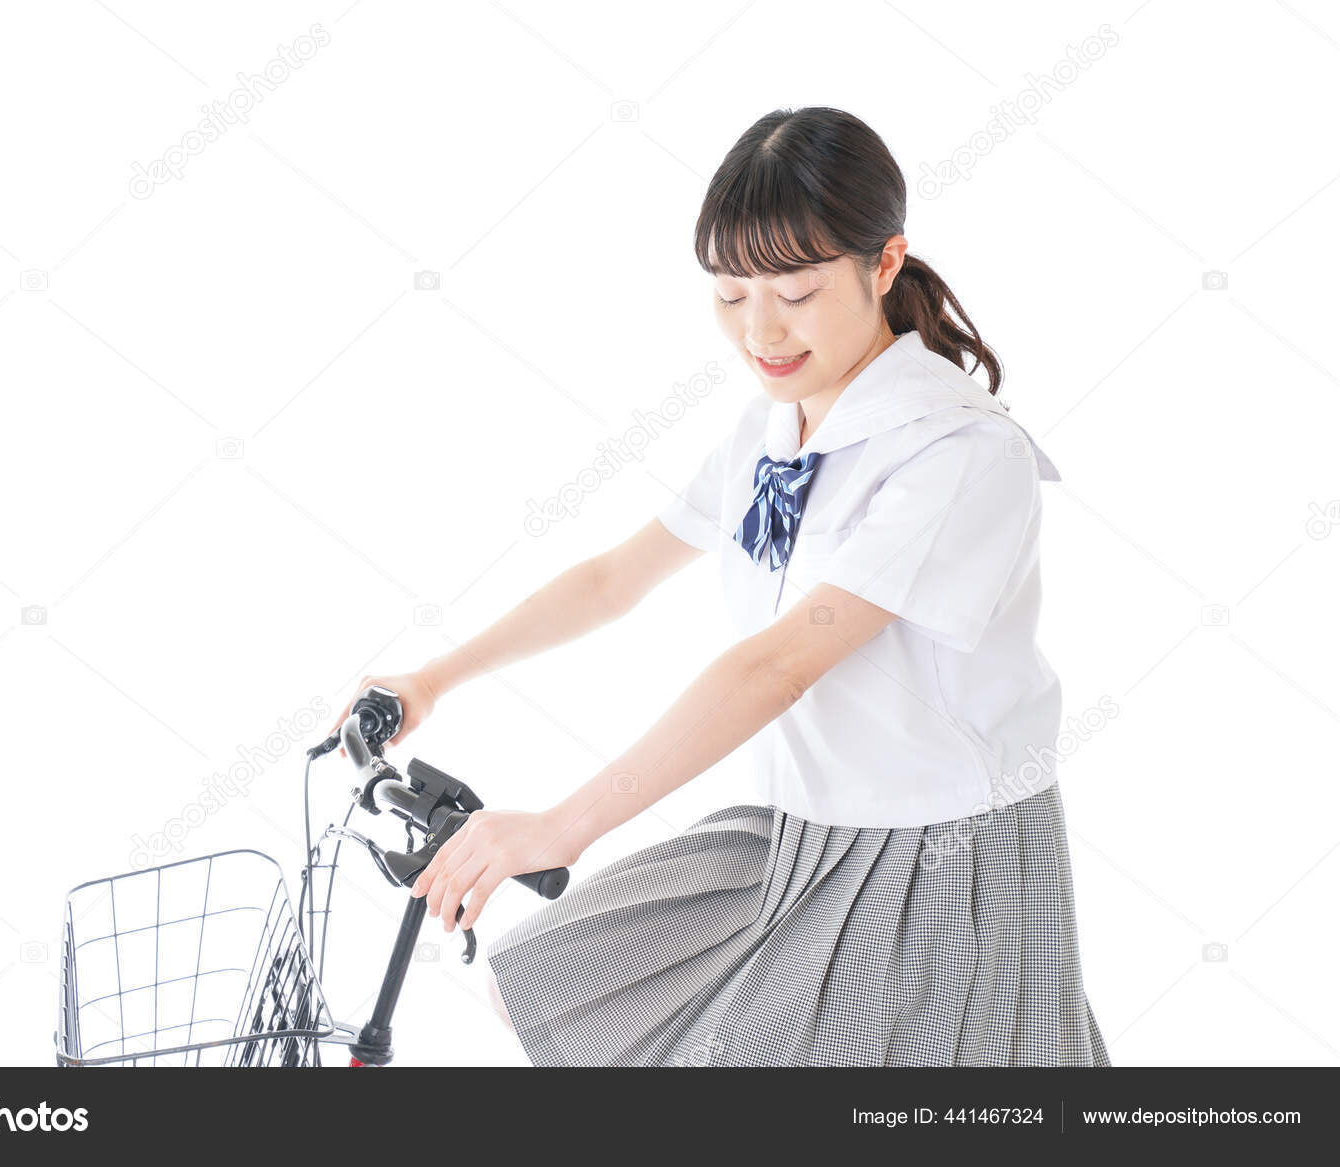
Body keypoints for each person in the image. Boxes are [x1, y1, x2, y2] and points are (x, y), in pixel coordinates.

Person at [324, 106, 1108, 1067]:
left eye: (798, 292)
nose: (762, 330)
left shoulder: (958, 453)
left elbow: (778, 665)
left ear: (886, 263)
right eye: (732, 295)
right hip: (802, 830)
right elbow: (615, 578)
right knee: (544, 981)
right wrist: (433, 678)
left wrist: (561, 826)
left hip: (940, 858)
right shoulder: (772, 427)